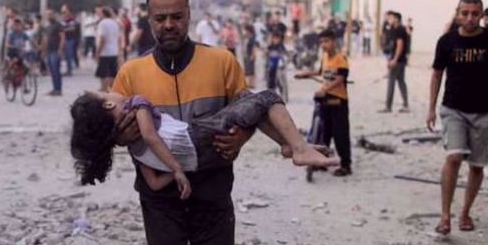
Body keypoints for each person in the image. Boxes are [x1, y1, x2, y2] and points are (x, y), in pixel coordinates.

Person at [110, 0, 255, 245]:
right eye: (161, 18)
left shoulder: (222, 62)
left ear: (189, 15)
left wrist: (241, 138)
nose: (169, 24)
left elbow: (249, 110)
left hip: (212, 183)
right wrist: (120, 136)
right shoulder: (131, 73)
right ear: (149, 20)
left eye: (177, 16)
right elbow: (116, 130)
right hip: (158, 192)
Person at [70, 89, 338, 193]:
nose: (113, 90)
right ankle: (300, 149)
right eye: (107, 92)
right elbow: (153, 136)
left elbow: (152, 181)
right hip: (201, 135)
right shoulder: (138, 105)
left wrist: (181, 169)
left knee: (245, 97)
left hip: (201, 162)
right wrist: (176, 168)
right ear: (108, 103)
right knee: (267, 98)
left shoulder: (133, 146)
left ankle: (287, 144)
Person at [427, 0, 488, 236]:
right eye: (465, 13)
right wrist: (431, 108)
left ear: (482, 14)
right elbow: (436, 74)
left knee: (476, 166)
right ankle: (445, 216)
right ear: (457, 13)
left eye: (475, 13)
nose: (470, 18)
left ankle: (465, 212)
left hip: (485, 111)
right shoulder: (446, 41)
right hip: (453, 108)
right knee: (453, 157)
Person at [296, 29, 352, 177]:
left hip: (338, 101)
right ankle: (322, 162)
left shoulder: (341, 59)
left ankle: (346, 165)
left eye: (326, 41)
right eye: (321, 42)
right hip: (325, 100)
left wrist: (325, 89)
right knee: (324, 133)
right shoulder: (325, 57)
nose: (324, 45)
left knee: (340, 134)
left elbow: (340, 79)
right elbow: (320, 71)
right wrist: (305, 74)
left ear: (333, 41)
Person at [381, 11, 410, 113]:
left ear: (396, 19)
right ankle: (406, 105)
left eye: (391, 17)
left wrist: (394, 59)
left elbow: (400, 45)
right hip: (400, 60)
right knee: (401, 82)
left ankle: (388, 106)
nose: (389, 19)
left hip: (398, 60)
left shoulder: (399, 29)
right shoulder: (396, 29)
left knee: (391, 82)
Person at [95, 6, 120, 92]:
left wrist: (98, 51)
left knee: (103, 72)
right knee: (112, 72)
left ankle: (104, 88)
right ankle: (111, 88)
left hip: (105, 52)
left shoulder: (103, 23)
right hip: (114, 50)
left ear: (103, 13)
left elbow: (102, 38)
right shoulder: (115, 23)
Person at [40, 9, 65, 96]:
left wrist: (60, 49)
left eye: (50, 14)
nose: (49, 16)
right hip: (48, 51)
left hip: (55, 50)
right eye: (47, 15)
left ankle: (58, 89)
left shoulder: (58, 25)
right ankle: (55, 89)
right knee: (51, 71)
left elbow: (62, 38)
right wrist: (43, 51)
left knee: (56, 70)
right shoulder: (47, 27)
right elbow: (45, 39)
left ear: (54, 15)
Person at [61, 4, 80, 76]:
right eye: (62, 11)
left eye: (64, 11)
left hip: (69, 39)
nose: (63, 13)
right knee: (65, 56)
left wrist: (63, 30)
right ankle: (67, 70)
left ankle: (69, 71)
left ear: (68, 11)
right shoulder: (62, 20)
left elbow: (72, 28)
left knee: (69, 55)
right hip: (63, 39)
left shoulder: (71, 19)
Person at [242, 24, 258, 88]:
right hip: (246, 55)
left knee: (251, 70)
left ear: (248, 30)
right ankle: (249, 83)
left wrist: (253, 55)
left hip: (250, 55)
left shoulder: (252, 37)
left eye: (245, 30)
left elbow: (254, 47)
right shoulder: (246, 37)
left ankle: (251, 83)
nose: (244, 31)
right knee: (248, 69)